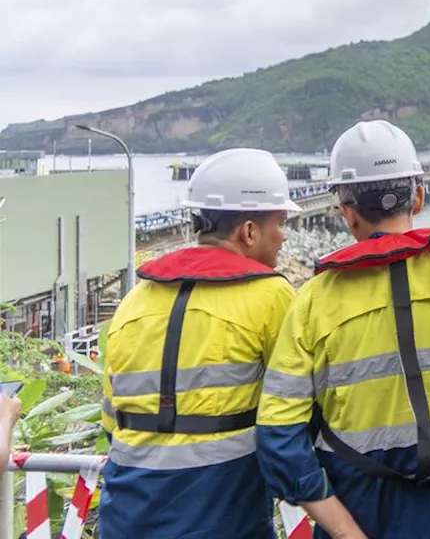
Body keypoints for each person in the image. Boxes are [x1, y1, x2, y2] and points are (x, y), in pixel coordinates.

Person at [257, 119, 430, 539]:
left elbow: (279, 439)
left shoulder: (313, 300)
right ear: (418, 196)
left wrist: (342, 529)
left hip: (356, 511)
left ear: (346, 213)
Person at [99, 148, 299, 539]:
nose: (285, 234)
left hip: (126, 513)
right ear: (249, 231)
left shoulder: (134, 300)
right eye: (280, 221)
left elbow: (112, 420)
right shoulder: (270, 295)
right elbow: (296, 410)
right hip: (223, 513)